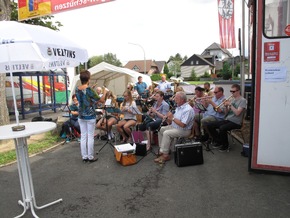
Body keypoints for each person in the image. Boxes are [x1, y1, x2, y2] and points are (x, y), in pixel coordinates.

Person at [75, 70, 107, 163]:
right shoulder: (89, 90)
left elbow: (83, 98)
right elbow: (101, 100)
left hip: (81, 115)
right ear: (88, 79)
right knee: (90, 136)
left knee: (83, 136)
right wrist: (104, 92)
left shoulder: (77, 89)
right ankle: (90, 156)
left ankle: (84, 157)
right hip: (90, 116)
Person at [204, 84, 247, 152]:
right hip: (228, 119)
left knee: (222, 128)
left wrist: (230, 105)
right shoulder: (232, 100)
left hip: (236, 122)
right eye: (231, 91)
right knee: (209, 125)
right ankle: (219, 141)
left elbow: (237, 113)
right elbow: (226, 113)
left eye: (233, 91)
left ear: (238, 91)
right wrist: (226, 106)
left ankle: (225, 146)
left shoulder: (242, 100)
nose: (232, 93)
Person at [155, 91, 194, 163]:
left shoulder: (188, 109)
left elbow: (183, 124)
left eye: (176, 97)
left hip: (184, 130)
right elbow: (173, 120)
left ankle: (165, 155)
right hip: (175, 127)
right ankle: (163, 150)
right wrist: (168, 119)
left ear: (182, 100)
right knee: (161, 129)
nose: (174, 99)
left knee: (167, 133)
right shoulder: (178, 107)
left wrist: (172, 118)